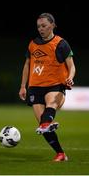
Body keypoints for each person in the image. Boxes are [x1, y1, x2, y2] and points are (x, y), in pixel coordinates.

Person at [19, 13, 76, 162]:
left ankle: (47, 123)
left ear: (52, 25)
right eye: (38, 26)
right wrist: (22, 86)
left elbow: (72, 65)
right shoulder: (33, 44)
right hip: (35, 87)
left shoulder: (61, 43)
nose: (40, 29)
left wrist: (70, 77)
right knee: (43, 127)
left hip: (55, 85)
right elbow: (27, 65)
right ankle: (60, 153)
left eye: (44, 26)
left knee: (50, 107)